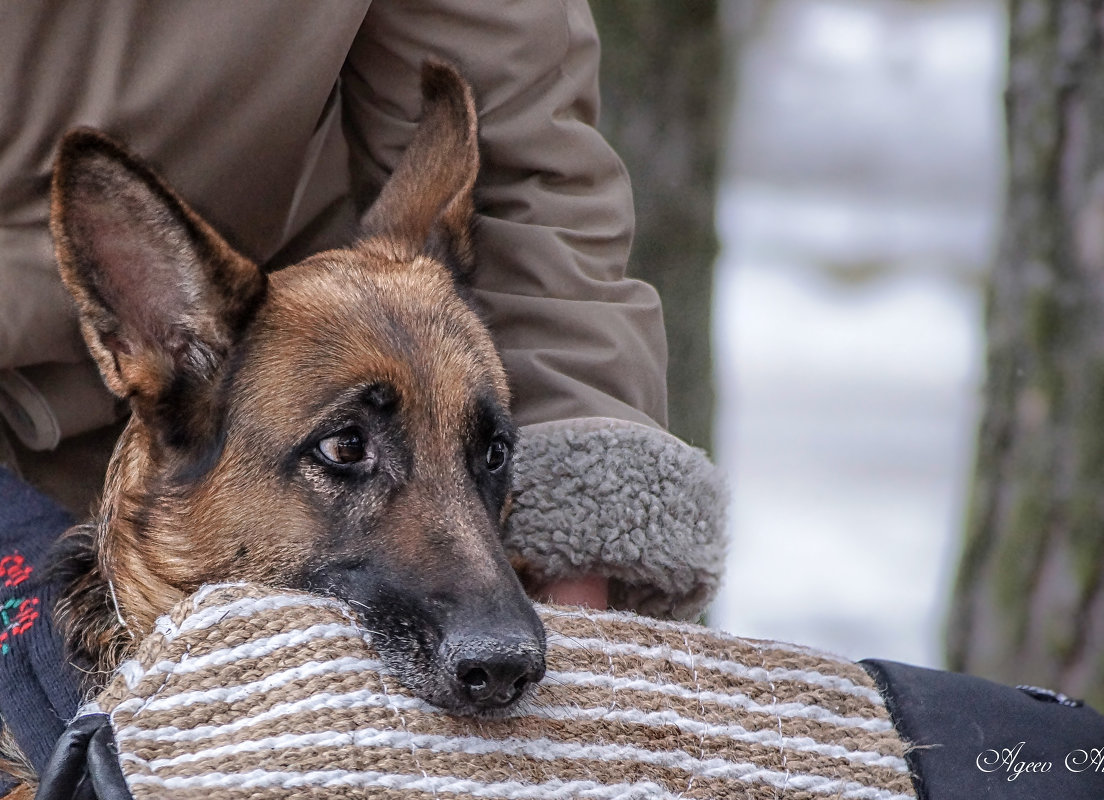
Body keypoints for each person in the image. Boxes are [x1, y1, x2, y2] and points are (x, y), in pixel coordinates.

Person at [0, 2, 727, 620]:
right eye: (350, 453)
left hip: (276, 388)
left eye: (490, 454)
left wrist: (578, 537)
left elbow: (522, 148)